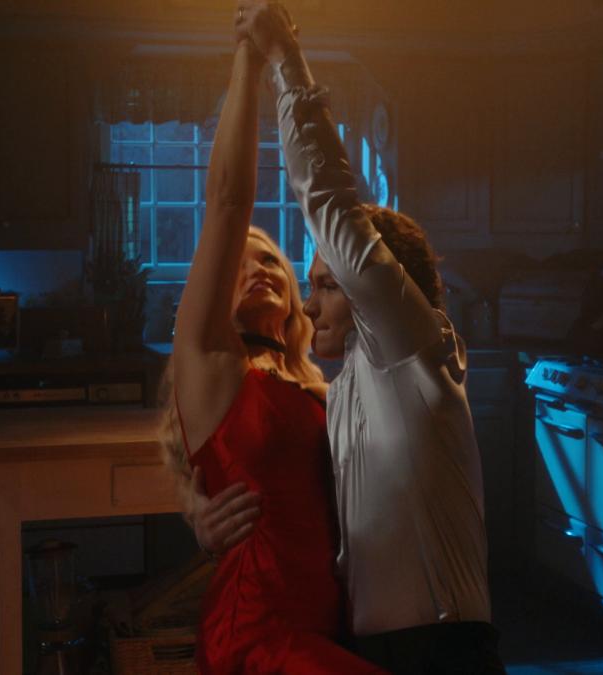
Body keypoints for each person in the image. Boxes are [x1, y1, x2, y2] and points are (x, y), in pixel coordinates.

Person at [191, 3, 506, 672]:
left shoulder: (409, 346)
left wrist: (284, 58)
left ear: (374, 296)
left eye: (327, 284)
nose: (309, 304)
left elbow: (328, 198)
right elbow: (289, 492)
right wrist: (201, 515)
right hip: (366, 650)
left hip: (441, 651)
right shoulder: (345, 394)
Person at [158, 28, 384, 675]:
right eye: (240, 263)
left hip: (331, 623)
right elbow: (228, 202)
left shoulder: (316, 384)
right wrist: (249, 58)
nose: (258, 267)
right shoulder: (213, 365)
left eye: (270, 261)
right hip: (258, 633)